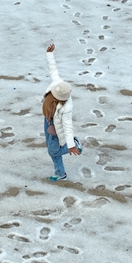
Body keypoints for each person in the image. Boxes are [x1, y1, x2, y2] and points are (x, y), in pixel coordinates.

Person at [42, 44, 80, 182]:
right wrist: (49, 54)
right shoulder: (57, 84)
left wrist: (71, 146)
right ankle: (61, 173)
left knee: (53, 150)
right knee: (50, 148)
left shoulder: (66, 108)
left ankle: (76, 146)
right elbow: (53, 70)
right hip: (47, 120)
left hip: (56, 127)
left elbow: (68, 127)